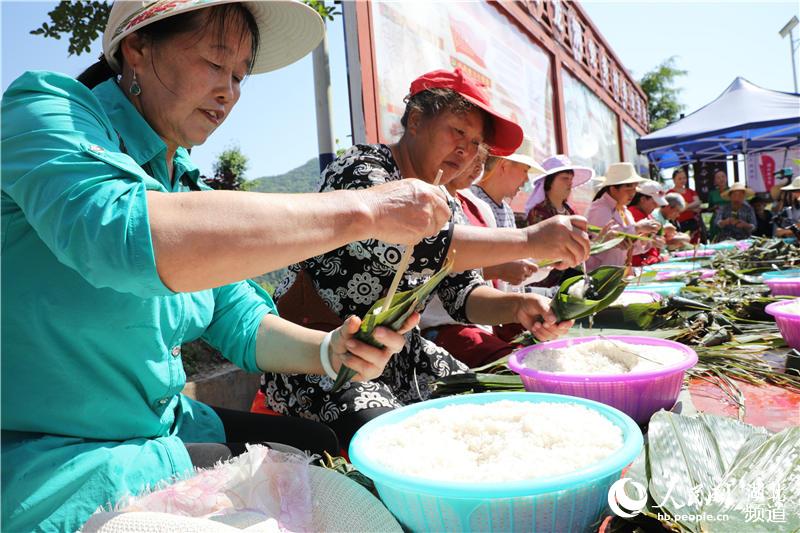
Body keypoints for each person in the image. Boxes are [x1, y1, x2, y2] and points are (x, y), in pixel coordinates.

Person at [1, 2, 454, 531]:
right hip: (59, 460)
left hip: (161, 433)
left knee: (326, 456)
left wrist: (334, 350)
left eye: (239, 76)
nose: (229, 92)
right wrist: (363, 211)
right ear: (137, 49)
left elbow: (239, 317)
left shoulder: (183, 178)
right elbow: (120, 236)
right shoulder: (44, 110)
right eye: (215, 65)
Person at [261, 68, 591, 448]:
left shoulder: (445, 200)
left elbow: (462, 294)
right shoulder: (362, 170)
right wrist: (530, 239)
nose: (467, 150)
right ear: (416, 120)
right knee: (396, 442)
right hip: (326, 356)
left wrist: (519, 305)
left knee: (507, 412)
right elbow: (423, 244)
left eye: (475, 141)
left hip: (402, 357)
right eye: (458, 132)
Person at [523, 154, 594, 287]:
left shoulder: (570, 211)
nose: (570, 183)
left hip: (569, 281)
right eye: (564, 178)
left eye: (571, 179)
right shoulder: (538, 212)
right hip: (544, 284)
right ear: (549, 182)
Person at [586, 163, 660, 271]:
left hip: (617, 274)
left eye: (635, 187)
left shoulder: (625, 211)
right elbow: (606, 242)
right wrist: (637, 228)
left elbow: (630, 248)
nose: (633, 193)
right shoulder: (599, 209)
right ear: (613, 189)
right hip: (600, 275)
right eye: (628, 187)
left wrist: (647, 239)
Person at [467, 150, 544, 229]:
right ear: (504, 166)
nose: (527, 179)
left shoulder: (508, 211)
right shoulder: (469, 201)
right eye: (525, 171)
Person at [628, 180, 668, 266]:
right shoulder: (633, 215)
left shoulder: (646, 215)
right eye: (654, 202)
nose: (657, 206)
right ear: (643, 199)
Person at [668, 168, 703, 243]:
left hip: (692, 223)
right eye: (679, 178)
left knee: (694, 243)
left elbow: (698, 203)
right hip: (678, 223)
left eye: (684, 178)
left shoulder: (691, 191)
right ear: (674, 180)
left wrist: (684, 208)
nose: (682, 180)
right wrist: (692, 208)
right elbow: (672, 209)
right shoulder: (670, 193)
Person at [706, 169, 730, 240]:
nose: (721, 179)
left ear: (726, 178)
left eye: (723, 176)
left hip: (730, 218)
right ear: (715, 181)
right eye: (718, 178)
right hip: (716, 220)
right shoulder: (712, 193)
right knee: (716, 241)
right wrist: (714, 208)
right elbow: (709, 209)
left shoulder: (732, 191)